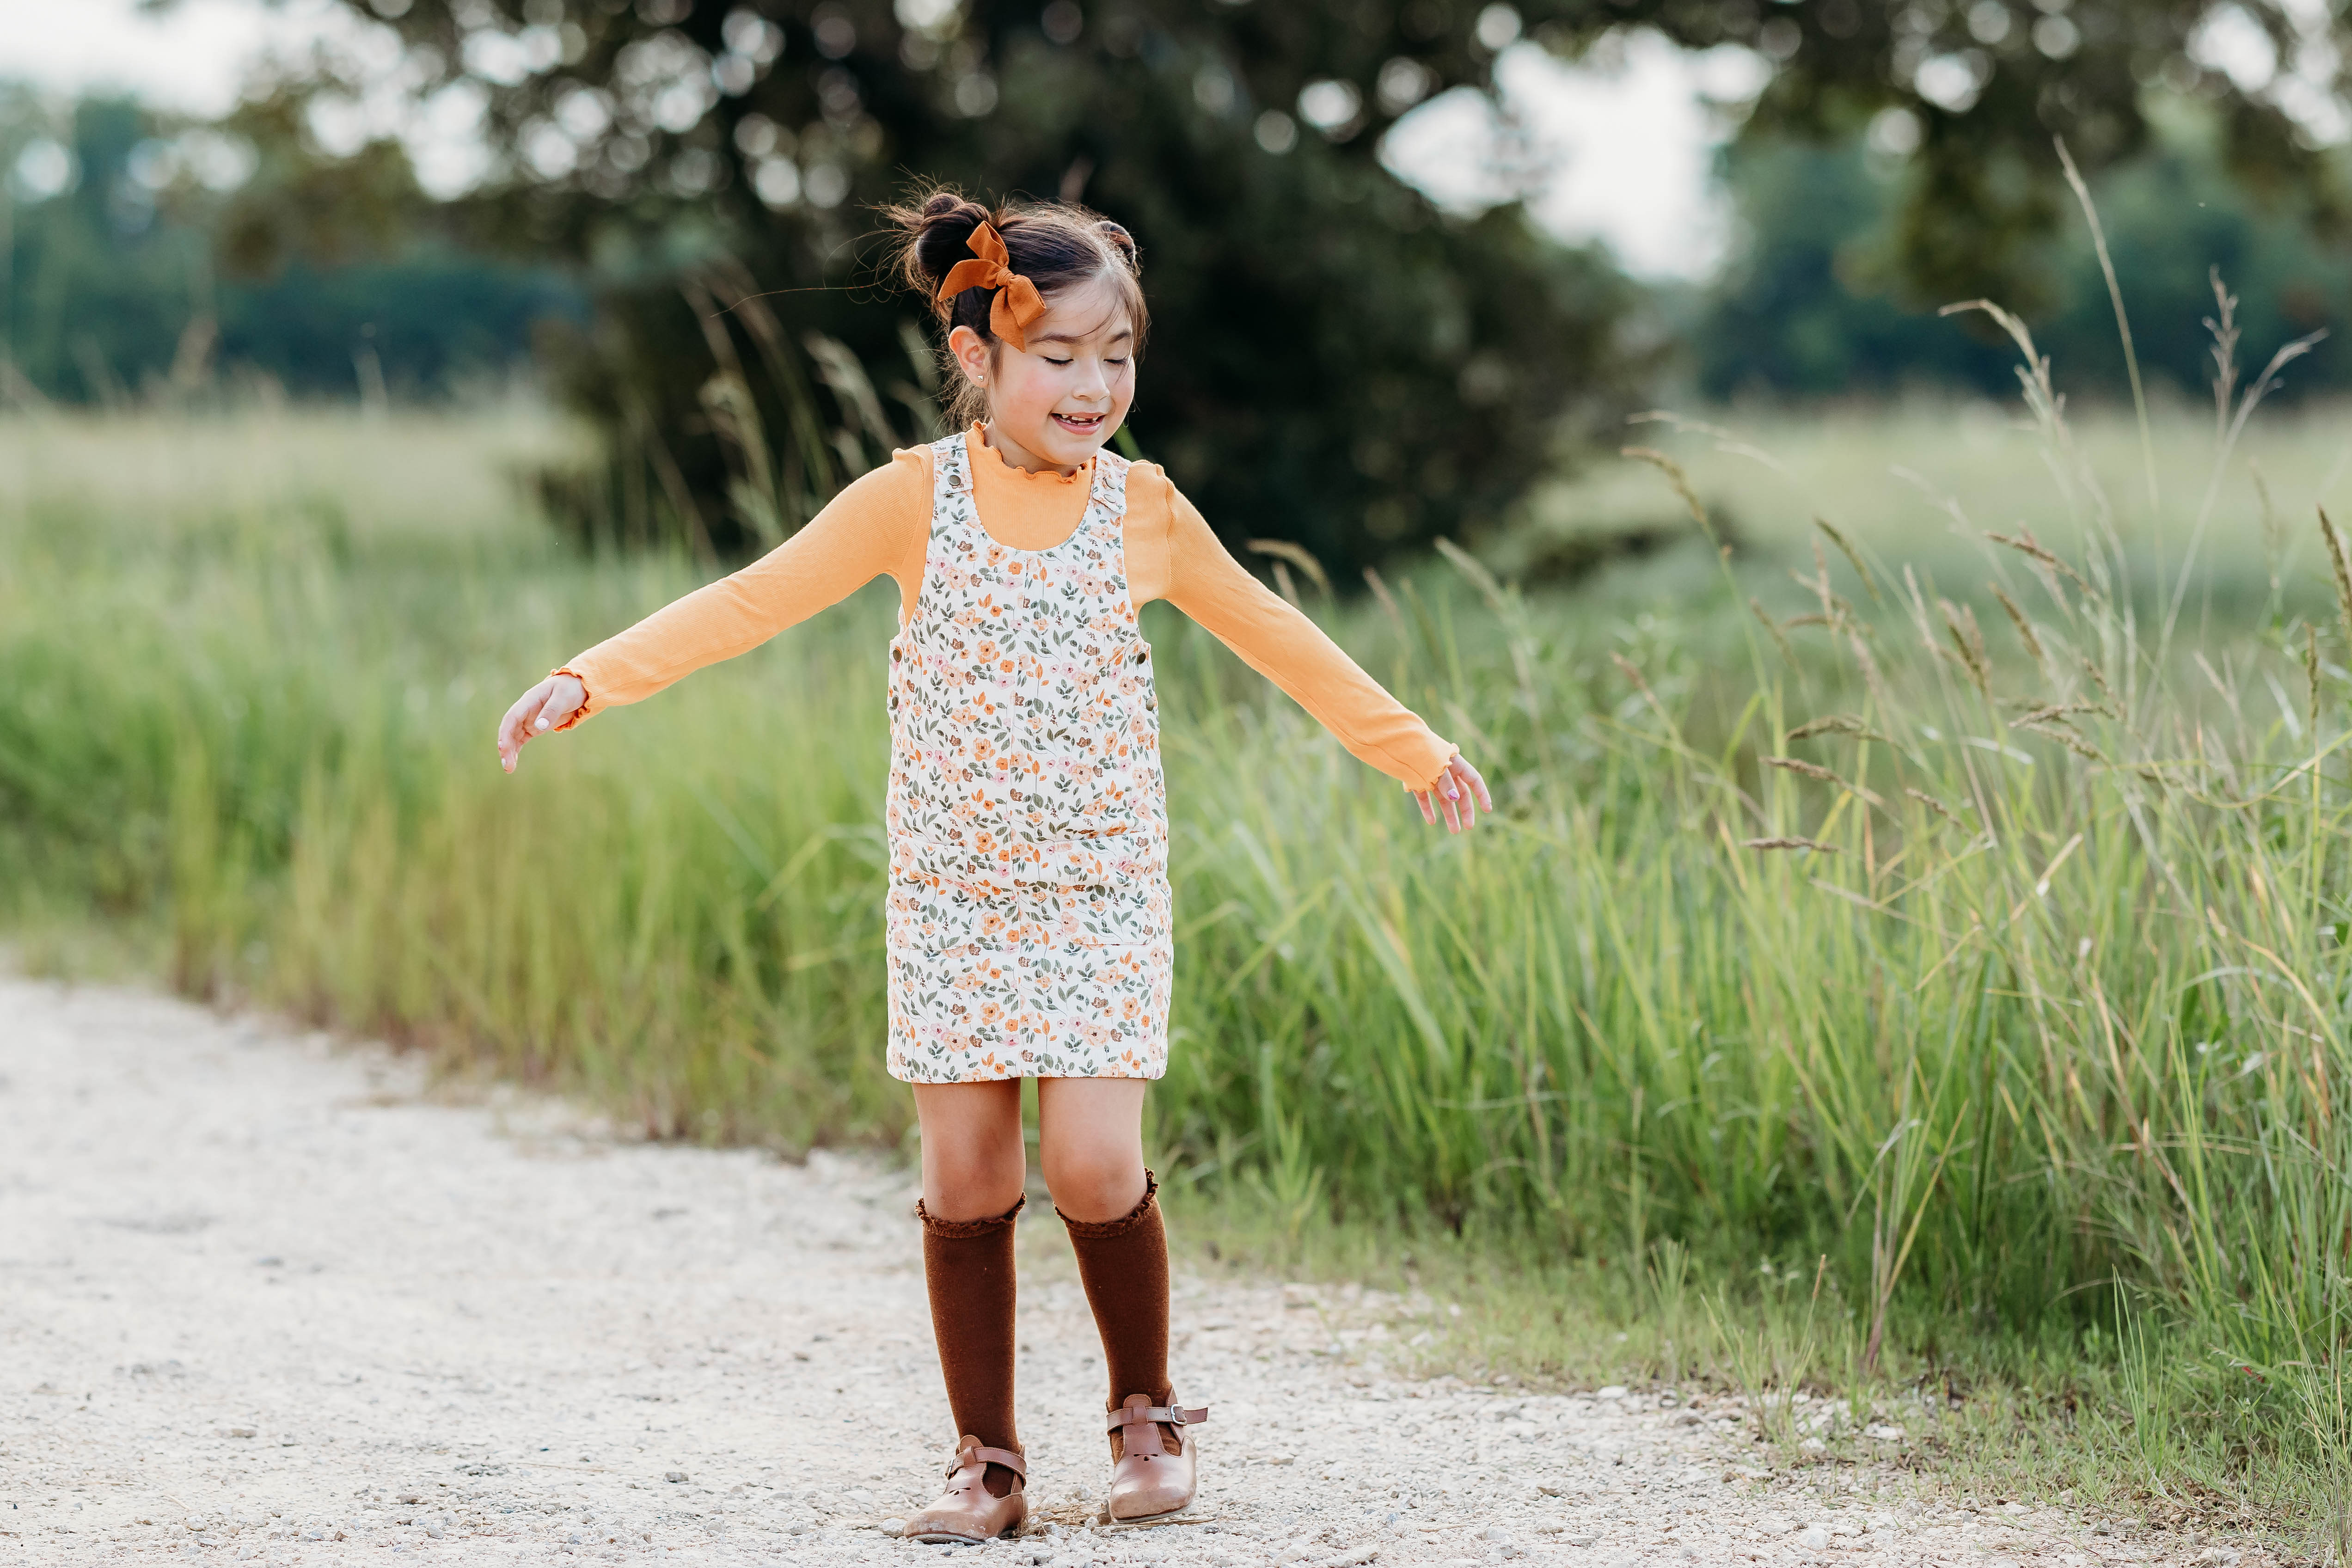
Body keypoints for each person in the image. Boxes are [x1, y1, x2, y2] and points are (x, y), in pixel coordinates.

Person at [492, 186, 1489, 1543]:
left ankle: (1145, 1412)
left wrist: (1412, 746)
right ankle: (986, 1462)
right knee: (968, 1180)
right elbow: (753, 597)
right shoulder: (911, 502)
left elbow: (1280, 636)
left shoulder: (1147, 511)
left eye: (1117, 356)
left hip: (1102, 891)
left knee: (1088, 1163)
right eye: (1061, 357)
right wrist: (589, 678)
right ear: (981, 359)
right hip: (954, 895)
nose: (1095, 386)